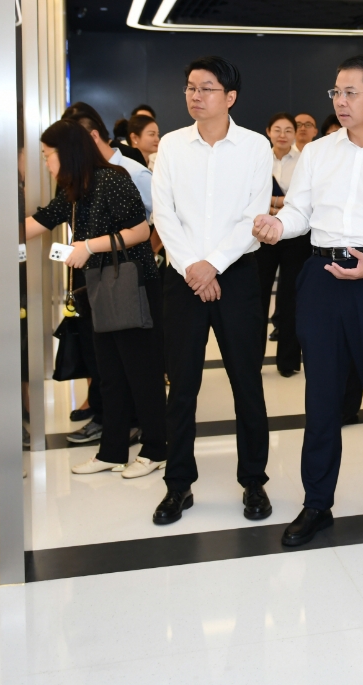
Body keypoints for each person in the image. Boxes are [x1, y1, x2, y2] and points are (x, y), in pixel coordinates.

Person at [252, 54, 363, 550]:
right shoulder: (318, 153)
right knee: (322, 400)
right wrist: (278, 226)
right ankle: (317, 503)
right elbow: (300, 212)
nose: (340, 100)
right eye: (336, 92)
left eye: (351, 92)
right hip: (322, 279)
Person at [149, 56, 273, 526]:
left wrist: (213, 265)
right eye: (190, 87)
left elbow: (254, 216)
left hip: (236, 275)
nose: (195, 96)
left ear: (230, 97)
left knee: (247, 382)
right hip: (183, 277)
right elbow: (164, 215)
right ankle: (178, 484)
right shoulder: (172, 145)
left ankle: (254, 481)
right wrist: (193, 268)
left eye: (206, 88)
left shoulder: (255, 146)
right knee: (182, 386)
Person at [25, 120, 167, 478]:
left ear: (68, 152)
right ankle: (112, 451)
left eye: (48, 155)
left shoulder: (112, 179)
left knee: (141, 372)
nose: (46, 162)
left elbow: (140, 231)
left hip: (131, 287)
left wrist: (88, 246)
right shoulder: (75, 189)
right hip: (100, 289)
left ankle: (157, 448)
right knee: (110, 374)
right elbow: (41, 221)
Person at [257, 112, 309, 373]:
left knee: (291, 298)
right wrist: (284, 203)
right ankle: (252, 359)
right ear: (268, 132)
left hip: (295, 237)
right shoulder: (258, 160)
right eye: (277, 129)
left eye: (289, 130)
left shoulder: (304, 161)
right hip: (262, 234)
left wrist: (273, 204)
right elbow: (250, 197)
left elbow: (304, 200)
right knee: (257, 297)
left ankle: (288, 361)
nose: (283, 135)